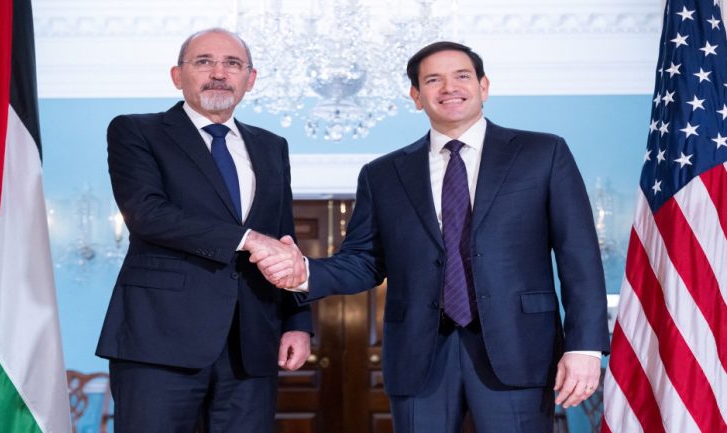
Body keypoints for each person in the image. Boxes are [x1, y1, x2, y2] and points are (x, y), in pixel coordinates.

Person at [257, 41, 610, 433]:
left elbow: (579, 256)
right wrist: (305, 273)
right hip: (418, 355)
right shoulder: (382, 174)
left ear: (483, 86)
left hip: (519, 347)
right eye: (433, 80)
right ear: (416, 96)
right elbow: (364, 261)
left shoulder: (543, 153)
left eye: (461, 76)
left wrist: (584, 346)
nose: (449, 88)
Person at [95, 28, 312, 433]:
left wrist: (297, 322)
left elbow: (284, 239)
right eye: (204, 62)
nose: (219, 73)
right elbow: (147, 213)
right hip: (159, 340)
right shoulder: (136, 131)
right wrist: (247, 239)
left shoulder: (272, 146)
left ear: (250, 78)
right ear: (177, 76)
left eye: (232, 64)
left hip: (252, 342)